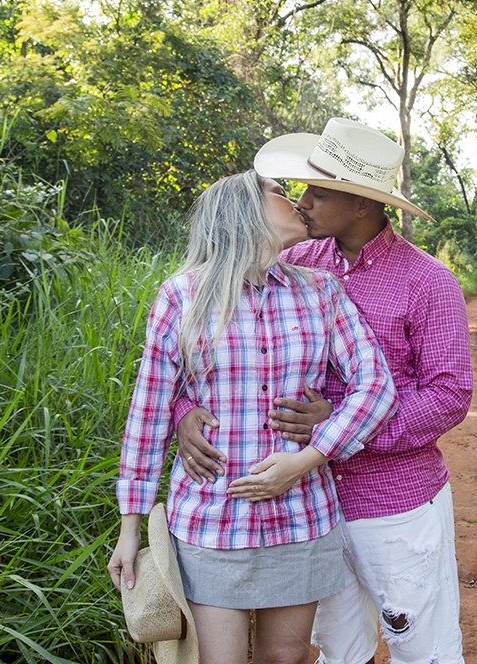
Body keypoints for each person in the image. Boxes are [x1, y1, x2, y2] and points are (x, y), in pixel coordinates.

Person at [178, 118, 474, 664]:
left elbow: (449, 394)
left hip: (395, 501)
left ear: (363, 204)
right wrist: (185, 409)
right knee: (337, 650)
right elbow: (216, 352)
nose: (303, 200)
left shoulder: (428, 281)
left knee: (422, 647)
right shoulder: (294, 263)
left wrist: (335, 427)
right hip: (307, 507)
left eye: (319, 191)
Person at [108, 170, 399, 664]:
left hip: (301, 517)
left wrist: (310, 457)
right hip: (212, 518)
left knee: (285, 657)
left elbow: (376, 386)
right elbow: (149, 410)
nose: (298, 202)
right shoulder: (183, 296)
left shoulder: (321, 291)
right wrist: (129, 528)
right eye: (280, 194)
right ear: (245, 212)